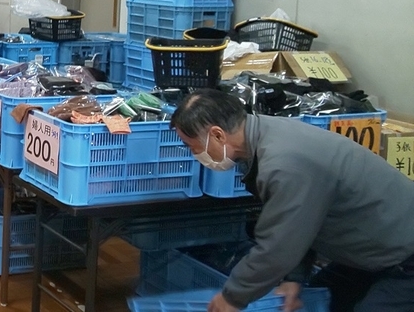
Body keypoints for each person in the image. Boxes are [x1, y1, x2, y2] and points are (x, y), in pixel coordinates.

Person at [170, 89, 414, 312]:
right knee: (319, 299)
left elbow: (277, 245)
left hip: (403, 257)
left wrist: (232, 297)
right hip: (372, 251)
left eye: (193, 147)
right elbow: (299, 224)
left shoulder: (283, 164)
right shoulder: (267, 133)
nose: (195, 154)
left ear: (217, 134)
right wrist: (294, 278)